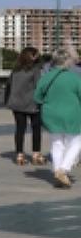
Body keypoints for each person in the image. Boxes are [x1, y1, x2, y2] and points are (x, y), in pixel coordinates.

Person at [34, 48, 81, 188]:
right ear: (67, 61)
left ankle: (57, 171)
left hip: (50, 115)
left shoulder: (46, 77)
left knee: (57, 143)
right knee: (76, 141)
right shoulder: (74, 78)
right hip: (71, 114)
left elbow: (37, 97)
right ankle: (63, 169)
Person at [4, 46, 45, 166]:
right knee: (36, 129)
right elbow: (39, 86)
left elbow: (9, 85)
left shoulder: (15, 70)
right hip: (32, 104)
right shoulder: (35, 69)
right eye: (36, 54)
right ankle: (36, 154)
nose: (38, 56)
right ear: (31, 56)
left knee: (20, 129)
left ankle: (19, 155)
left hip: (16, 104)